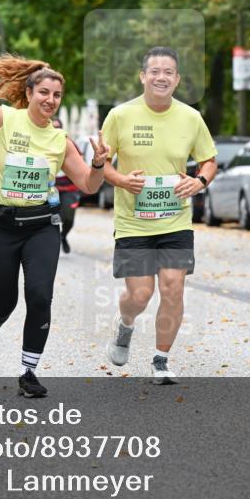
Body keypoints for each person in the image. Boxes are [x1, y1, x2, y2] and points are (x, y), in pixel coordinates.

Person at [0, 53, 108, 398]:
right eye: (44, 93)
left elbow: (90, 185)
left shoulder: (60, 141)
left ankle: (28, 371)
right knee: (2, 303)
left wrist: (98, 163)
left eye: (57, 95)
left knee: (39, 295)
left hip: (41, 226)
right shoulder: (3, 119)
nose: (50, 100)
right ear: (30, 93)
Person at [101, 47, 218, 385]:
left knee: (173, 288)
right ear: (143, 76)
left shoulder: (190, 118)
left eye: (169, 72)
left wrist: (199, 181)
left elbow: (209, 160)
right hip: (133, 221)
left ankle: (161, 359)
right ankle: (125, 324)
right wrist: (122, 179)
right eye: (155, 71)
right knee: (140, 295)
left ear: (177, 79)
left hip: (175, 219)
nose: (161, 77)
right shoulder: (120, 116)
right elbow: (101, 162)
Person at [51, 118, 81, 254]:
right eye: (53, 127)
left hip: (69, 189)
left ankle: (63, 236)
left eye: (58, 127)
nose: (55, 130)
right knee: (52, 218)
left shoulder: (70, 144)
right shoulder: (43, 143)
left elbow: (80, 165)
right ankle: (52, 241)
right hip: (51, 189)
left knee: (68, 217)